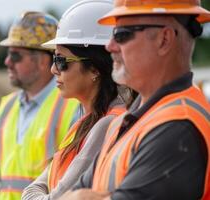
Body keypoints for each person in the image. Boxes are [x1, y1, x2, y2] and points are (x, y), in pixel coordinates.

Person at [58, 0, 210, 199]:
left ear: (164, 39)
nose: (109, 46)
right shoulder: (128, 121)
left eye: (121, 35)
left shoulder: (177, 126)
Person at [21, 1, 130, 199]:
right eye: (55, 59)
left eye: (61, 61)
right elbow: (32, 190)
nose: (54, 69)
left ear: (95, 68)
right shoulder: (84, 124)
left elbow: (47, 196)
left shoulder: (107, 125)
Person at [0, 11, 80, 200]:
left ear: (43, 61)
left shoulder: (73, 105)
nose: (7, 62)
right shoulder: (7, 105)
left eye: (15, 55)